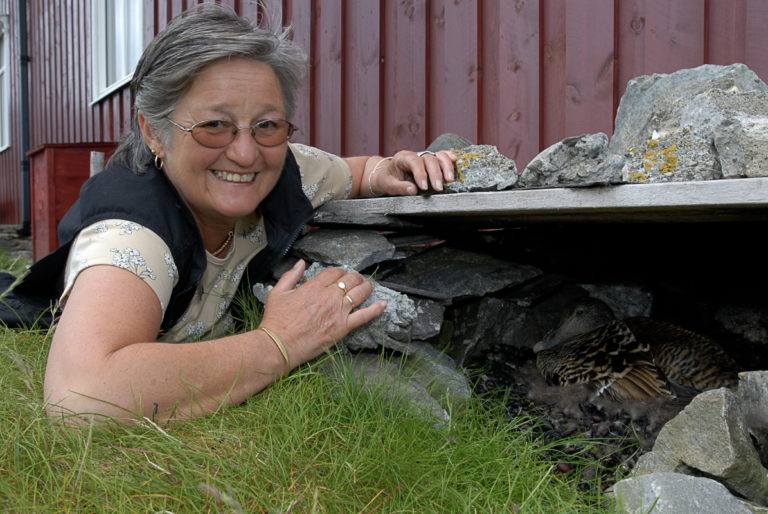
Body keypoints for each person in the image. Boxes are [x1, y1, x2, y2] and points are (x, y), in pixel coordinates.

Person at [41, 3, 457, 423]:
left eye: (267, 124)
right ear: (153, 131)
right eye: (214, 126)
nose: (245, 154)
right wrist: (279, 343)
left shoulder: (283, 169)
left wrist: (393, 168)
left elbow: (359, 171)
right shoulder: (132, 235)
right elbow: (82, 396)